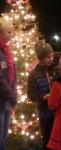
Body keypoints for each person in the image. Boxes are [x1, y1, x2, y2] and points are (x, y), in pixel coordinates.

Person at [27, 41, 54, 150]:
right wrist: (43, 97)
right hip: (44, 111)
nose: (51, 59)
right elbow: (31, 94)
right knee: (47, 137)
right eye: (48, 57)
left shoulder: (53, 70)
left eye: (51, 56)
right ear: (40, 58)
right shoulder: (33, 75)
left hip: (56, 110)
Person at [0, 18, 17, 150]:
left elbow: (12, 75)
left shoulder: (7, 50)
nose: (11, 34)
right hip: (2, 98)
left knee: (4, 133)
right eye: (8, 32)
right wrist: (11, 95)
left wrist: (13, 93)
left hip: (6, 100)